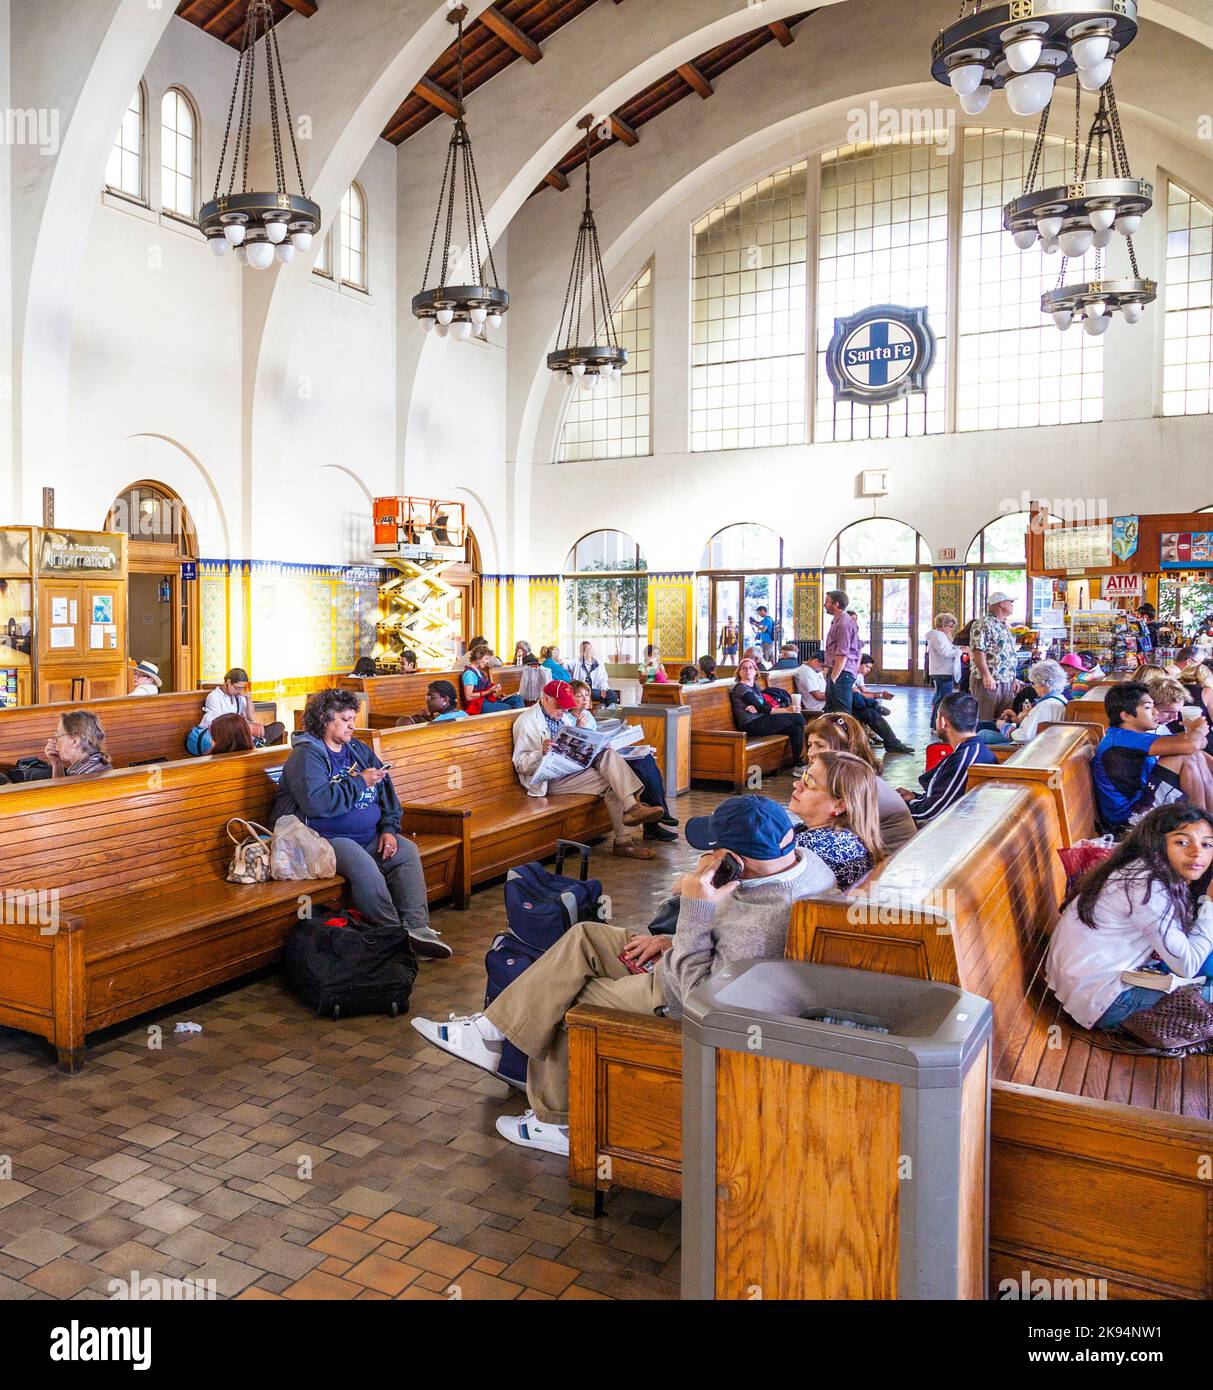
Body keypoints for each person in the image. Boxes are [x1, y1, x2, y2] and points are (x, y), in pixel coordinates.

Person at [411, 795, 837, 1154]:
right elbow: (724, 944)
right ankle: (491, 1032)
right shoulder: (803, 863)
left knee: (569, 997)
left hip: (678, 1000)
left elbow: (698, 998)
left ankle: (560, 1123)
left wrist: (695, 909)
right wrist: (671, 940)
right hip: (687, 963)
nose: (705, 854)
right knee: (587, 936)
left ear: (736, 862)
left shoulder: (763, 923)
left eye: (715, 847)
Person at [272, 688, 450, 959]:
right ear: (324, 718)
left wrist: (389, 830)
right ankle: (394, 935)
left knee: (406, 852)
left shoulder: (357, 749)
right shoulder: (306, 756)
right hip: (324, 839)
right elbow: (317, 804)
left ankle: (417, 928)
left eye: (353, 718)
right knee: (365, 868)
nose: (352, 725)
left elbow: (387, 792)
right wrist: (360, 782)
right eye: (345, 719)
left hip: (369, 833)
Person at [1046, 804, 1213, 1033]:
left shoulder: (1141, 869)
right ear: (1157, 842)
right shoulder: (1147, 885)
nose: (1197, 853)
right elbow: (1188, 965)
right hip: (1105, 1000)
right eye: (1182, 842)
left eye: (1206, 844)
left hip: (1088, 983)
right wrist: (1210, 904)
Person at [511, 679, 663, 860]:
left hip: (571, 771)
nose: (563, 712)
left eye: (566, 707)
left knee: (609, 757)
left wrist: (582, 734)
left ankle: (631, 812)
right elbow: (520, 764)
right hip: (547, 780)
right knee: (611, 779)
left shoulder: (565, 716)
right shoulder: (527, 722)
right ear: (545, 698)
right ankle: (625, 837)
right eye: (559, 706)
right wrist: (540, 753)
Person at [1092, 683, 1211, 832]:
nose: (1155, 712)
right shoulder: (1122, 739)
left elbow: (1195, 745)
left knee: (1192, 754)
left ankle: (1207, 823)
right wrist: (1198, 731)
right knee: (1183, 756)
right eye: (1148, 707)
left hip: (1141, 805)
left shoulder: (1129, 736)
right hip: (1129, 822)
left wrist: (1196, 735)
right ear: (1126, 715)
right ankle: (1200, 829)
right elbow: (1191, 744)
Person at [569, 679, 676, 843]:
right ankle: (653, 823)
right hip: (595, 763)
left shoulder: (588, 715)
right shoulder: (567, 718)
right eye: (578, 696)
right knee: (639, 768)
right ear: (570, 698)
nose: (584, 699)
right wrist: (579, 726)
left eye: (587, 695)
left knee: (646, 759)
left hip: (606, 754)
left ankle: (657, 819)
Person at [806, 712, 916, 853]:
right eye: (810, 745)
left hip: (888, 865)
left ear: (844, 749)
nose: (810, 752)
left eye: (820, 745)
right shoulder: (855, 777)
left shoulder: (857, 786)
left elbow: (832, 839)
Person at [788, 750, 884, 889]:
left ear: (840, 805)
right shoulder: (845, 837)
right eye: (804, 775)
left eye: (809, 782)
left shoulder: (812, 847)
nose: (797, 784)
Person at [898, 692, 996, 825]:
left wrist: (895, 807)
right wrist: (915, 797)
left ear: (943, 722)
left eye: (937, 717)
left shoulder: (963, 761)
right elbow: (946, 796)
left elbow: (930, 814)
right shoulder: (976, 750)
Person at [730, 655, 806, 765]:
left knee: (795, 729)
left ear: (756, 671)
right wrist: (787, 710)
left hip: (761, 719)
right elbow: (763, 708)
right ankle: (814, 745)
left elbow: (763, 705)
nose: (748, 671)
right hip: (750, 725)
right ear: (739, 672)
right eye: (744, 668)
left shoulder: (755, 686)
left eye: (751, 668)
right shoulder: (741, 688)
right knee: (796, 716)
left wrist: (759, 709)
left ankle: (799, 764)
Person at [982, 658, 1070, 745]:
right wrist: (1017, 720)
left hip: (1027, 747)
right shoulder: (1060, 700)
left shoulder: (1045, 706)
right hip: (1039, 742)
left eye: (1033, 683)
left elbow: (1024, 737)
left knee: (983, 734)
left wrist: (1003, 726)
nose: (1033, 687)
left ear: (1042, 684)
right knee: (984, 725)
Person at [197, 668, 285, 754]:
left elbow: (251, 717)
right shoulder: (214, 697)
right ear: (228, 682)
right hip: (226, 736)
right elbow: (220, 725)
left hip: (241, 733)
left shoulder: (239, 696)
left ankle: (258, 741)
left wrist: (248, 698)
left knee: (279, 726)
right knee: (244, 736)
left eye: (242, 688)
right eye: (238, 688)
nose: (240, 691)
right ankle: (257, 742)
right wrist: (248, 729)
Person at [968, 592, 1022, 722]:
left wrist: (1013, 678)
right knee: (984, 718)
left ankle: (996, 742)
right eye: (1010, 602)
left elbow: (1008, 654)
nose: (1012, 605)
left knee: (1003, 718)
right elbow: (978, 650)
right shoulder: (983, 623)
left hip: (1006, 680)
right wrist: (986, 675)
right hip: (989, 679)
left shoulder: (1004, 625)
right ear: (1001, 603)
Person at [851, 654, 914, 755]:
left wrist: (880, 694)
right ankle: (875, 707)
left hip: (858, 703)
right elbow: (857, 694)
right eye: (867, 666)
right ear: (858, 664)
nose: (868, 670)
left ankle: (892, 742)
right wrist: (878, 695)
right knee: (859, 699)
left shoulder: (859, 676)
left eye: (870, 668)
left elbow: (864, 692)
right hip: (851, 704)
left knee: (871, 713)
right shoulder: (849, 675)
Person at [823, 588, 861, 714]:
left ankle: (847, 734)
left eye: (827, 602)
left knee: (842, 712)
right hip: (838, 672)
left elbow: (842, 654)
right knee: (831, 711)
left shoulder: (843, 623)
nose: (824, 605)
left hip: (841, 673)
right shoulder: (838, 621)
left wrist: (833, 678)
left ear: (836, 604)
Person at [44, 711, 112, 780]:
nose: (56, 740)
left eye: (58, 735)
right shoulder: (97, 762)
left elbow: (59, 791)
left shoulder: (82, 778)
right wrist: (57, 764)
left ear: (75, 741)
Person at [461, 646, 525, 715]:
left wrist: (494, 689)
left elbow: (485, 689)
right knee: (511, 708)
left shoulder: (480, 671)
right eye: (486, 659)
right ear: (478, 657)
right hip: (479, 705)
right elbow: (468, 696)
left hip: (487, 700)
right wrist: (489, 691)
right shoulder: (469, 673)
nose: (487, 662)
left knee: (518, 699)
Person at [926, 613, 961, 727]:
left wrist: (957, 648)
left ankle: (936, 724)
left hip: (942, 670)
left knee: (940, 697)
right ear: (942, 625)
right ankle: (936, 724)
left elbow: (947, 649)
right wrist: (959, 652)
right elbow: (945, 652)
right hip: (942, 671)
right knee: (943, 699)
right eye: (950, 626)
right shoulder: (938, 636)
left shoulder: (941, 636)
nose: (951, 629)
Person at [400, 679, 468, 726]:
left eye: (431, 697)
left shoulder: (439, 722)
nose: (427, 701)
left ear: (445, 700)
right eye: (427, 697)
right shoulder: (463, 714)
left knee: (404, 721)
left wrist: (431, 722)